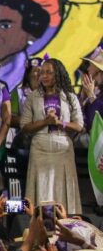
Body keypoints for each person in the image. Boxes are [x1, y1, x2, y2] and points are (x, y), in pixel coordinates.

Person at [21, 58, 84, 214]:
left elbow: (79, 125)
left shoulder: (70, 97)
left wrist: (60, 123)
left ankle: (66, 225)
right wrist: (45, 122)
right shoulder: (32, 97)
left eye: (49, 72)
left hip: (63, 150)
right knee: (42, 193)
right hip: (40, 150)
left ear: (58, 74)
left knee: (63, 191)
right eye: (42, 73)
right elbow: (25, 126)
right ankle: (41, 227)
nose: (44, 76)